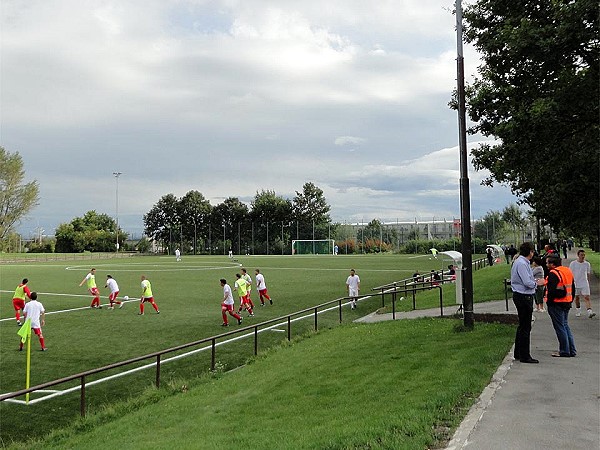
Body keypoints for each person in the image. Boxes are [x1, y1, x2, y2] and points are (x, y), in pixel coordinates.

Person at [510, 242, 541, 363]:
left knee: (522, 325)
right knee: (526, 327)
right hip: (523, 296)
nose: (533, 253)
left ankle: (518, 352)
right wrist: (536, 283)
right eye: (532, 251)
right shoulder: (522, 263)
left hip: (522, 295)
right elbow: (527, 282)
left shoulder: (521, 262)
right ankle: (524, 355)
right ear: (529, 252)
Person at [545, 254, 576, 357]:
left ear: (552, 264)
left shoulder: (553, 274)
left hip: (556, 303)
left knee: (560, 327)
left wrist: (549, 302)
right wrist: (571, 299)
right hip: (567, 301)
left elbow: (552, 291)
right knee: (565, 325)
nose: (546, 265)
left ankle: (564, 351)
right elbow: (573, 287)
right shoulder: (567, 271)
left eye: (547, 262)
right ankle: (571, 350)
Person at [569, 250, 596, 318]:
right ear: (578, 255)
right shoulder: (573, 263)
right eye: (581, 255)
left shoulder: (587, 264)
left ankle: (589, 311)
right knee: (577, 297)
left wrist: (588, 282)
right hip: (576, 283)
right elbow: (570, 273)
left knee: (586, 297)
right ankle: (578, 310)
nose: (583, 256)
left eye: (584, 255)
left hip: (584, 282)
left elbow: (588, 273)